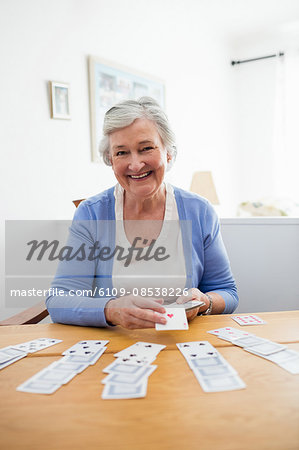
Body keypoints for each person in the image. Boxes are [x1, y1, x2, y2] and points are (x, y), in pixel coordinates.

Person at [46, 97, 238, 329]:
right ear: (110, 160)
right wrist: (110, 310)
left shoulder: (200, 211)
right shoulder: (92, 214)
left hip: (182, 341)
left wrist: (205, 302)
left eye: (146, 148)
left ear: (168, 153)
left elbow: (227, 292)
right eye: (121, 153)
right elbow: (59, 300)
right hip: (116, 346)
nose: (135, 165)